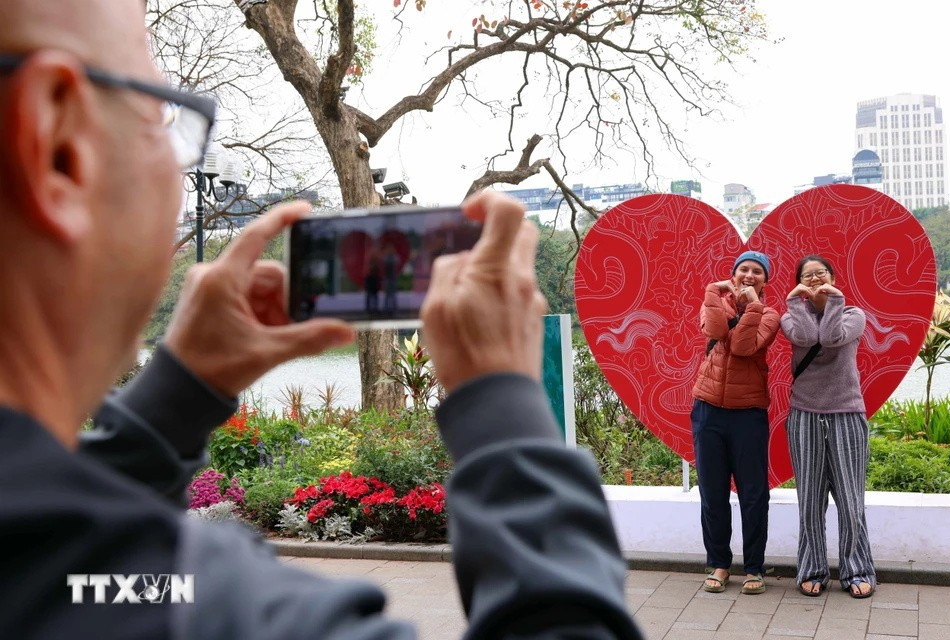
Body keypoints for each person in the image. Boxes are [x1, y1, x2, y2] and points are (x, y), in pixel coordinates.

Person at [0, 2, 644, 638]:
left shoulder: (83, 581)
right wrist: (505, 410)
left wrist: (175, 399)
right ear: (57, 145)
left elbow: (58, 562)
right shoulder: (217, 612)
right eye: (160, 117)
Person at [781, 255, 876, 599]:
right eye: (807, 276)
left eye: (821, 273)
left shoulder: (853, 315)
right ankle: (812, 569)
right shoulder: (791, 317)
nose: (815, 279)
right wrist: (796, 301)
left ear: (833, 278)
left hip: (846, 413)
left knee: (851, 500)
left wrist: (834, 300)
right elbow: (809, 336)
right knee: (810, 500)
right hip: (804, 415)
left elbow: (832, 337)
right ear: (800, 283)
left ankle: (857, 569)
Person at [691, 251, 780, 595]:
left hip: (748, 413)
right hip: (708, 410)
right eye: (743, 269)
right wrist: (713, 291)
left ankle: (754, 567)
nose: (749, 275)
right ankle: (719, 564)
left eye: (757, 271)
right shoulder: (714, 303)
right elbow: (715, 329)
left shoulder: (769, 315)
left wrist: (753, 306)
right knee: (712, 492)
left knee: (753, 494)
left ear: (765, 280)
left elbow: (743, 348)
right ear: (733, 275)